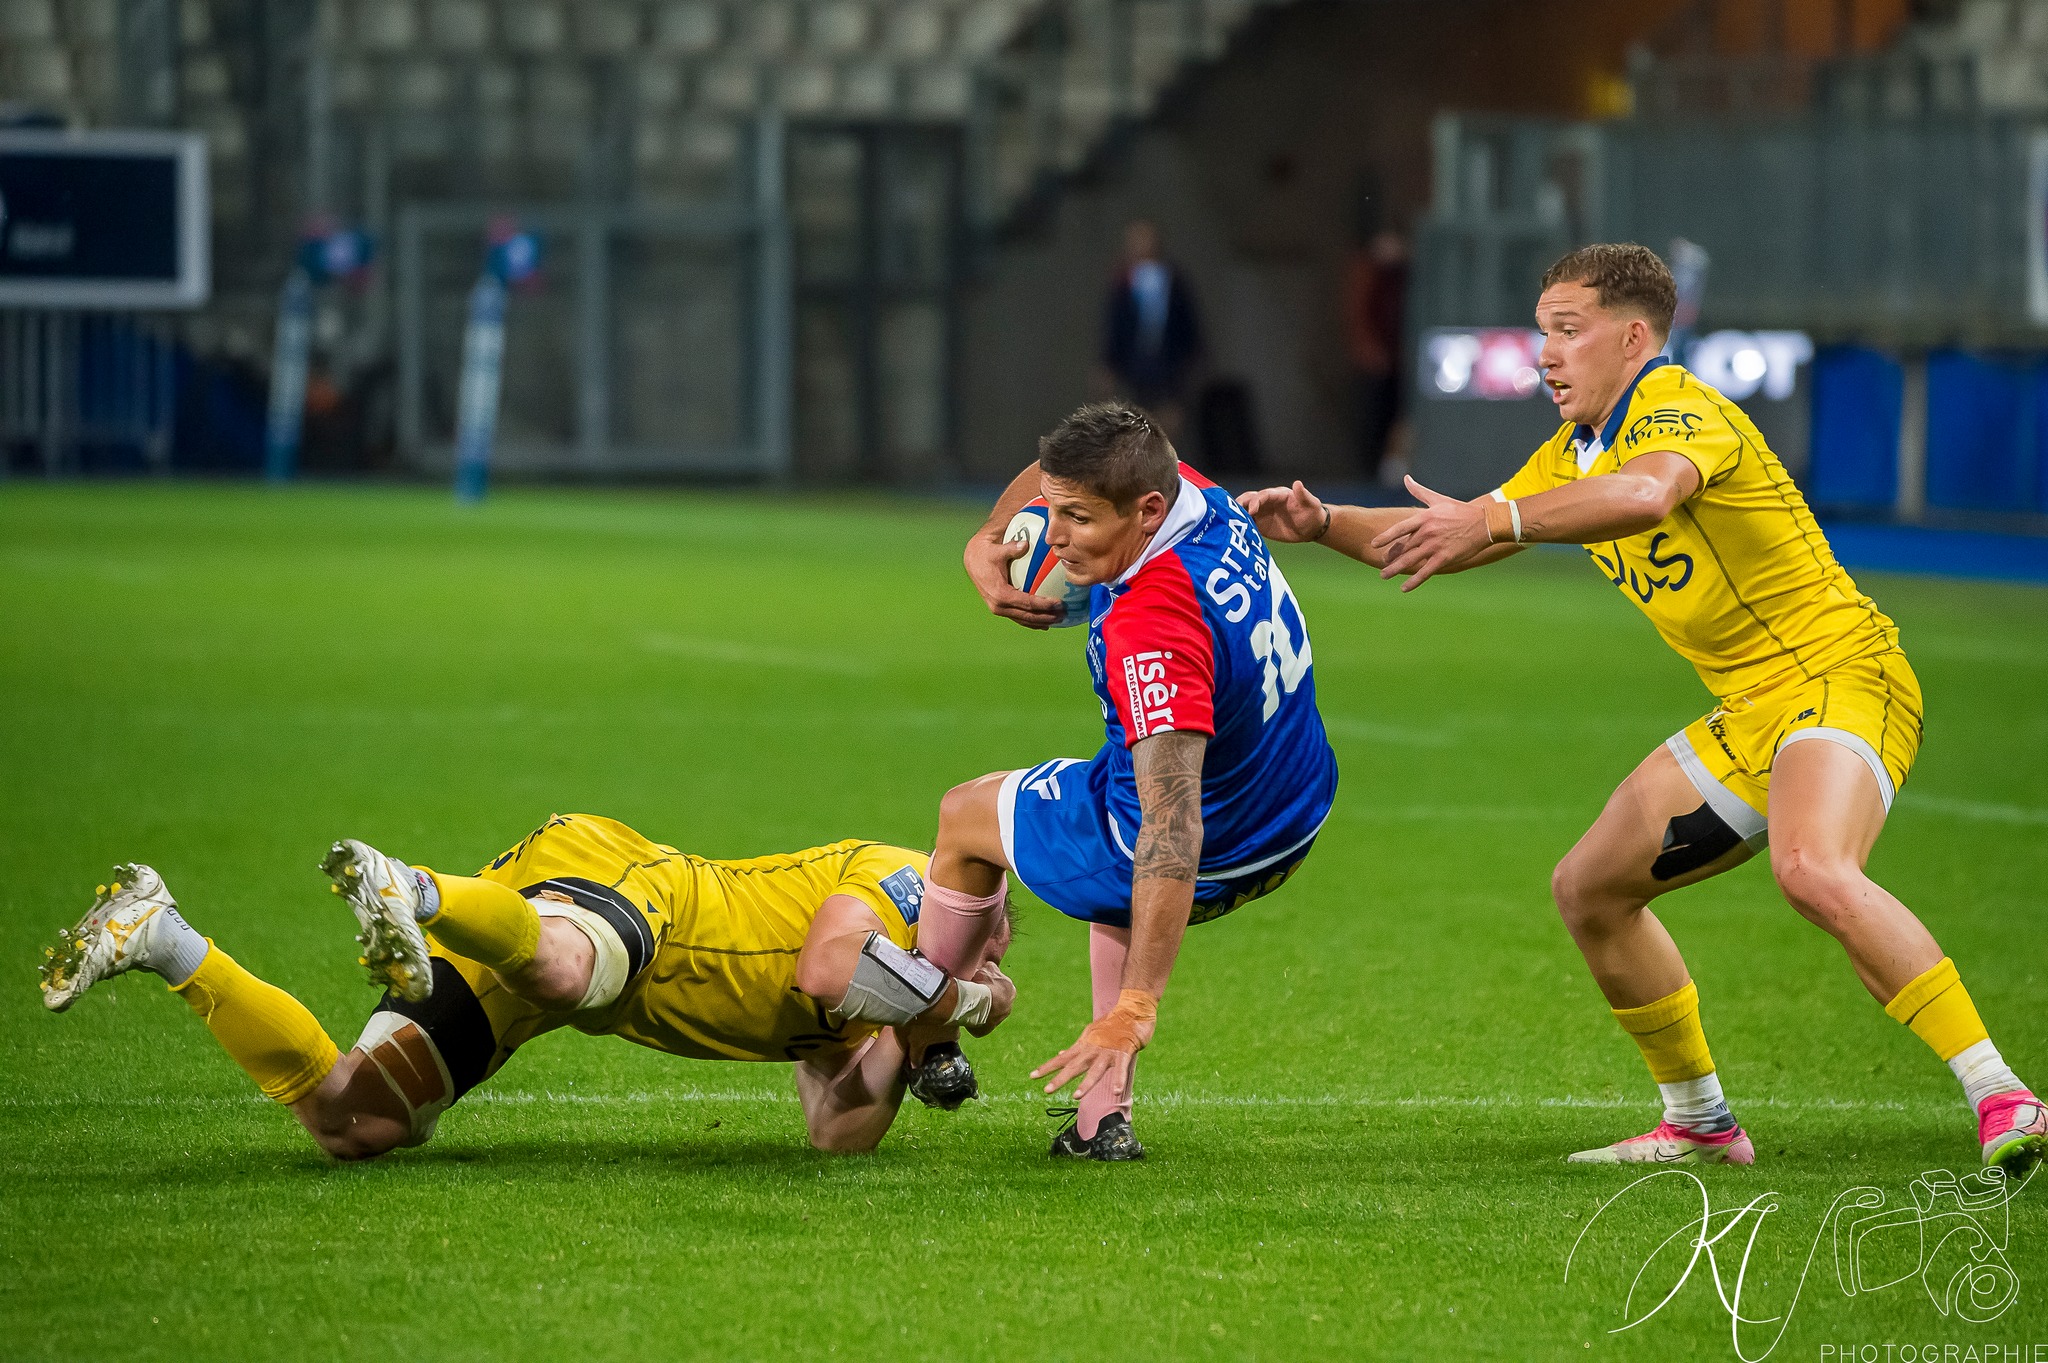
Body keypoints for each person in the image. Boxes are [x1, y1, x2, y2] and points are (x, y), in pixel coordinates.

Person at [1239, 243, 2042, 1173]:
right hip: (1752, 707)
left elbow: (1646, 493)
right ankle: (1699, 1119)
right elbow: (1448, 534)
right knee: (1590, 889)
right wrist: (1325, 523)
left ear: (1631, 338)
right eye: (1543, 333)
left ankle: (2005, 1094)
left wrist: (1494, 518)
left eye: (1568, 333)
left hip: (1841, 673)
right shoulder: (1576, 448)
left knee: (1813, 868)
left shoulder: (1677, 408)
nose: (1547, 355)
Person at [39, 813, 1014, 1158]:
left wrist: (919, 1038)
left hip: (559, 983)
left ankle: (160, 936)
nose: (991, 947)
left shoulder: (897, 994)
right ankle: (409, 887)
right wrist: (959, 1004)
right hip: (635, 891)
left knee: (352, 1123)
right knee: (569, 967)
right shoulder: (905, 878)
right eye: (985, 937)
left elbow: (833, 1128)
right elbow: (828, 964)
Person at [919, 402, 1338, 1161]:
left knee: (965, 817)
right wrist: (988, 535)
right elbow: (1050, 482)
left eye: (1077, 519)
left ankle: (927, 1038)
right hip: (1296, 803)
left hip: (1213, 844)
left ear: (1145, 511)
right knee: (1112, 796)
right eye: (1056, 512)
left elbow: (1171, 827)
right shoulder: (1198, 497)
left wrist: (1138, 1005)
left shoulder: (1150, 622)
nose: (1053, 536)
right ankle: (1101, 1120)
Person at [1098, 220, 1205, 442]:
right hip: (1136, 366)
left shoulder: (1175, 281)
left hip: (1170, 364)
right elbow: (1115, 327)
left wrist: (1193, 359)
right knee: (1136, 422)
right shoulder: (1123, 282)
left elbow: (1188, 323)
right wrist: (1108, 364)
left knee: (1170, 419)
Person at [1341, 227, 1412, 486]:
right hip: (1378, 362)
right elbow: (1359, 316)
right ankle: (1369, 472)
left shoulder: (1405, 279)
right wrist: (1368, 349)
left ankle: (1390, 468)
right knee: (1374, 416)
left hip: (1400, 361)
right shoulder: (1370, 276)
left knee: (1397, 413)